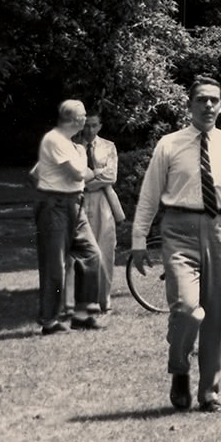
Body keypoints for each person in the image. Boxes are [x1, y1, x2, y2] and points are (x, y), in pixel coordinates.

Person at [130, 78, 221, 412]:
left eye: (214, 101)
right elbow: (149, 195)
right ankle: (179, 367)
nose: (208, 106)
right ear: (189, 105)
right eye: (201, 100)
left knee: (216, 315)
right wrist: (138, 238)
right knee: (188, 309)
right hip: (179, 230)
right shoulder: (170, 144)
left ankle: (209, 392)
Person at [33, 100, 105, 335]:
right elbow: (77, 174)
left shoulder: (73, 146)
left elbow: (78, 175)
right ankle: (49, 321)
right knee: (55, 265)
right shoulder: (54, 140)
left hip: (75, 203)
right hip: (56, 206)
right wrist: (88, 172)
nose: (86, 119)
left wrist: (83, 172)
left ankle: (82, 315)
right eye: (83, 115)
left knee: (91, 255)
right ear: (74, 119)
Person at [70, 109, 121, 314]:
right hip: (78, 200)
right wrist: (95, 175)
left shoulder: (108, 146)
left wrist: (89, 179)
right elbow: (72, 175)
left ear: (100, 126)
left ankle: (104, 299)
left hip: (102, 201)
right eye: (86, 125)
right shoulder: (73, 147)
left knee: (105, 250)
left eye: (94, 125)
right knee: (80, 251)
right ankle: (81, 301)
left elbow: (111, 176)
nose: (90, 129)